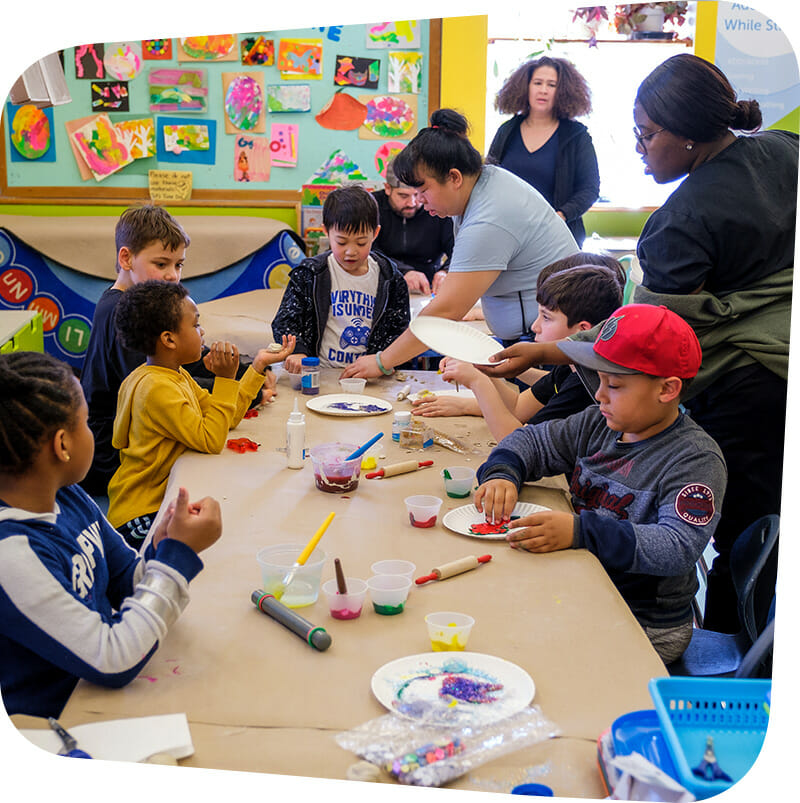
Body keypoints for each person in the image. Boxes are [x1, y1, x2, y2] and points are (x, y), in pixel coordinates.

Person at [482, 54, 795, 634]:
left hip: (744, 384)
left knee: (741, 535)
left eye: (647, 135)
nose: (639, 148)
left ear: (690, 134)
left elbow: (643, 342)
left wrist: (554, 354)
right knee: (768, 527)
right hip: (782, 369)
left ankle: (733, 671)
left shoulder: (682, 221)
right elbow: (617, 367)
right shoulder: (784, 149)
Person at [475, 305, 727, 663]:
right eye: (600, 381)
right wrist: (503, 473)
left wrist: (581, 532)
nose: (600, 395)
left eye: (616, 385)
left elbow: (676, 548)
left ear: (667, 389)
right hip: (583, 587)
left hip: (643, 622)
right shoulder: (598, 423)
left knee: (521, 654)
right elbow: (532, 443)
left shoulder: (694, 459)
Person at [0, 350, 223, 718]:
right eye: (86, 422)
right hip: (56, 725)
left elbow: (129, 579)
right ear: (62, 445)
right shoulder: (13, 555)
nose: (92, 430)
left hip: (96, 700)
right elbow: (113, 657)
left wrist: (164, 543)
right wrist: (179, 557)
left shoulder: (66, 494)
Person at [342, 109, 578, 380]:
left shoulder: (490, 217)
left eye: (423, 192)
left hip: (544, 344)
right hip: (531, 335)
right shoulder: (480, 186)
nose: (419, 203)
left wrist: (383, 361)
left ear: (454, 177)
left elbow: (444, 311)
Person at [80, 204, 275, 498]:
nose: (173, 275)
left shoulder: (145, 306)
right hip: (113, 455)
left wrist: (248, 371)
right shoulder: (123, 311)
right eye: (161, 264)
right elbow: (165, 386)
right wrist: (241, 389)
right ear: (126, 258)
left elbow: (189, 362)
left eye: (179, 264)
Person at [107, 281, 294, 547]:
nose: (202, 331)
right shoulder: (156, 388)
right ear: (168, 339)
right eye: (195, 325)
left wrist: (258, 365)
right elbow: (210, 439)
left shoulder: (174, 375)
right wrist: (225, 378)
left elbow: (225, 417)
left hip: (163, 500)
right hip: (141, 515)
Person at [413, 263, 622, 441]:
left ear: (582, 330)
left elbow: (519, 441)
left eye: (546, 317)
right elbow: (518, 407)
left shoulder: (584, 384)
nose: (535, 326)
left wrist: (478, 382)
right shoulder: (569, 367)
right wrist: (482, 366)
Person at [271, 185, 409, 373]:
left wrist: (382, 362)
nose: (351, 251)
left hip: (369, 376)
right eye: (341, 242)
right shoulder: (310, 273)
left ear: (375, 234)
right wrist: (298, 351)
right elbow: (285, 321)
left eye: (361, 242)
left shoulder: (390, 279)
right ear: (326, 231)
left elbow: (399, 330)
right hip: (319, 373)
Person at [488, 56, 600, 246]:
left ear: (562, 91)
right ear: (526, 87)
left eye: (552, 85)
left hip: (557, 238)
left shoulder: (577, 135)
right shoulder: (507, 131)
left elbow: (589, 189)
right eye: (537, 83)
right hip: (508, 235)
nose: (543, 90)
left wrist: (561, 216)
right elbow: (488, 179)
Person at [372, 158, 454, 295]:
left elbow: (459, 249)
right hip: (382, 285)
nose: (412, 203)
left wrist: (446, 271)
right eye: (403, 195)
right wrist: (402, 271)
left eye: (418, 194)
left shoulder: (437, 207)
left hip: (428, 288)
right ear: (387, 188)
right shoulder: (372, 206)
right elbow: (367, 250)